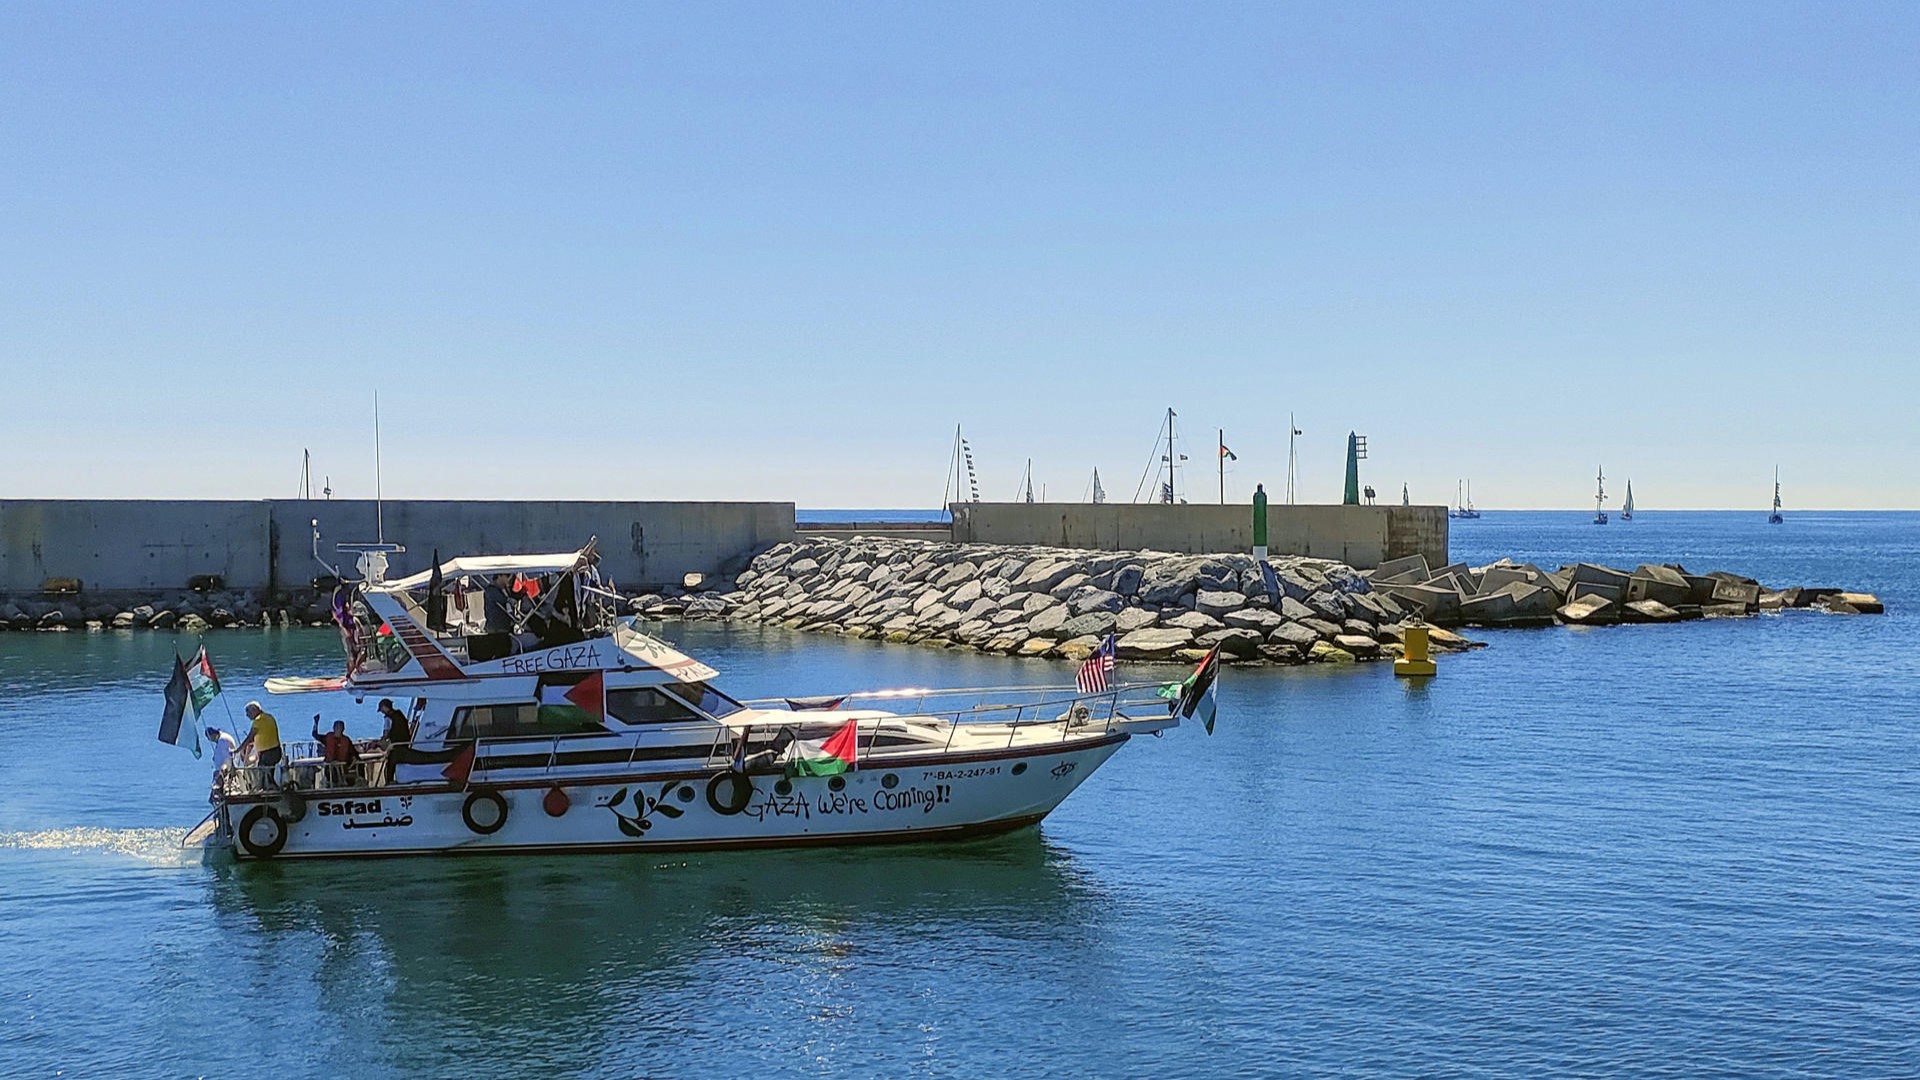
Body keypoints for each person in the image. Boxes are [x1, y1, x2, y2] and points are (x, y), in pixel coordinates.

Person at [238, 701, 282, 769]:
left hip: (267, 754)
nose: (247, 715)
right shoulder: (270, 717)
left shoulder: (258, 721)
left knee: (262, 774)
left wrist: (237, 750)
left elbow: (250, 738)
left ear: (254, 710)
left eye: (248, 712)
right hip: (277, 751)